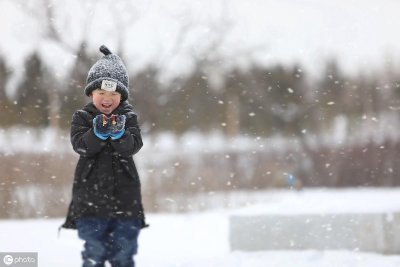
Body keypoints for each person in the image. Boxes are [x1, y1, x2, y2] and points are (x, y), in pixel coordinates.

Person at [61, 45, 147, 267]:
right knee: (94, 252)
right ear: (91, 93)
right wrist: (96, 134)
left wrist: (120, 134)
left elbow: (133, 146)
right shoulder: (81, 117)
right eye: (101, 93)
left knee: (123, 254)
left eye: (114, 94)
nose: (107, 98)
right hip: (90, 201)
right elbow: (81, 147)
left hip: (126, 201)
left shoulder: (128, 117)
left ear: (122, 96)